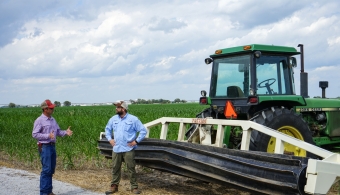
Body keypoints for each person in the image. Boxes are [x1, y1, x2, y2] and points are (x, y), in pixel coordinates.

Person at [105, 100, 147, 194]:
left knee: (131, 168)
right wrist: (110, 139)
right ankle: (114, 186)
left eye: (118, 107)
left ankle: (134, 187)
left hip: (128, 148)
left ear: (123, 109)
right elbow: (107, 129)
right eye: (116, 107)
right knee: (115, 167)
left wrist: (136, 141)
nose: (116, 109)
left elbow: (143, 131)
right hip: (116, 148)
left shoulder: (133, 119)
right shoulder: (113, 119)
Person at [32, 99, 73, 195]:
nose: (53, 109)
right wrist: (47, 136)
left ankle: (49, 191)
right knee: (46, 170)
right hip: (44, 147)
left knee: (51, 170)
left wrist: (65, 132)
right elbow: (34, 134)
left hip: (52, 147)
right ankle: (44, 193)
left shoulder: (52, 119)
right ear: (45, 109)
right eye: (51, 108)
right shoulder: (39, 120)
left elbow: (58, 132)